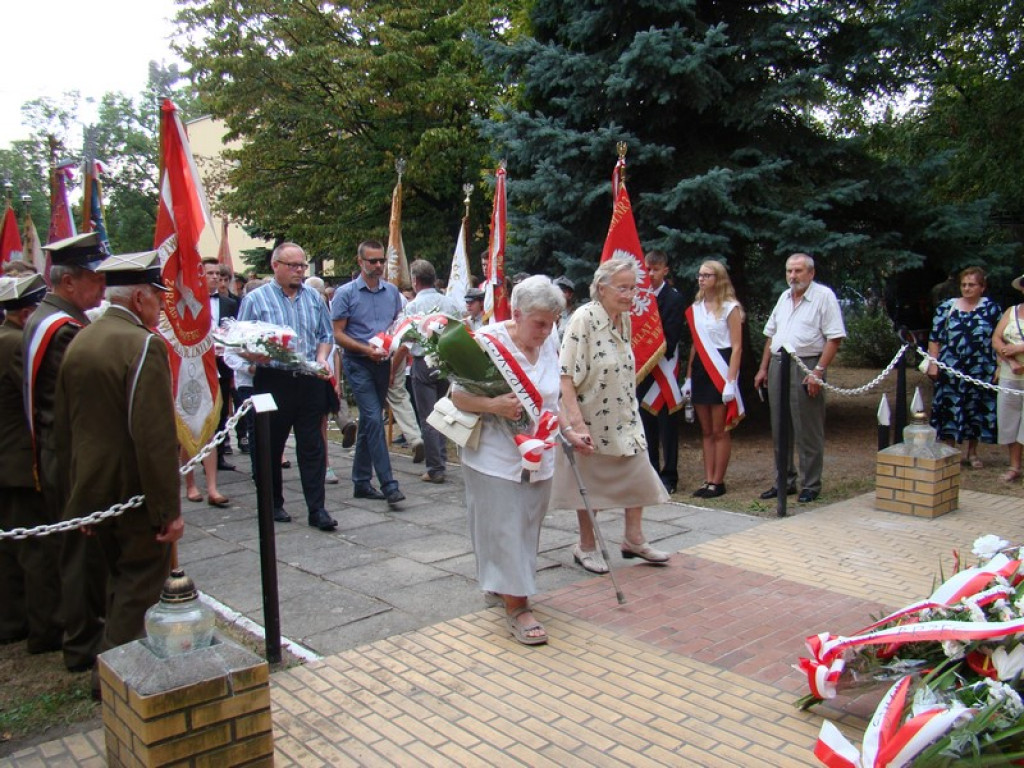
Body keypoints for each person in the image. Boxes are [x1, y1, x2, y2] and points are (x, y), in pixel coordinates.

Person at [54, 250, 184, 667]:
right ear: (139, 298)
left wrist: (80, 499)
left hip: (93, 487)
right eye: (157, 298)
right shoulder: (143, 344)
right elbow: (154, 437)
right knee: (140, 584)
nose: (162, 307)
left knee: (116, 579)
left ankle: (115, 661)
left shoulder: (82, 337)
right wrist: (168, 509)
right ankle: (115, 675)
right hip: (132, 490)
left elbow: (67, 429)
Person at [453, 275, 573, 645]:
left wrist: (570, 431)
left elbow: (554, 397)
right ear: (517, 314)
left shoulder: (548, 339)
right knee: (502, 526)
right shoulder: (488, 343)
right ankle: (518, 607)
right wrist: (493, 405)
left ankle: (501, 584)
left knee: (526, 526)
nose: (547, 330)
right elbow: (457, 396)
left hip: (540, 453)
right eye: (539, 323)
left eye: (552, 322)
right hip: (494, 455)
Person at [551, 258, 671, 574]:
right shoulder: (583, 319)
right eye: (623, 288)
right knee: (589, 487)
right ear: (601, 288)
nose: (631, 294)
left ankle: (633, 538)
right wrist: (576, 424)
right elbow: (564, 377)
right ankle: (585, 546)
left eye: (633, 288)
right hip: (591, 420)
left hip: (625, 416)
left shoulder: (624, 319)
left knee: (639, 474)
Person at [22, 232, 108, 672]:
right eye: (96, 279)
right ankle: (84, 645)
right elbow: (86, 402)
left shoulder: (48, 317)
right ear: (69, 282)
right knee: (80, 553)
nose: (103, 288)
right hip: (71, 457)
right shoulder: (64, 330)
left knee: (75, 549)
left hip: (60, 450)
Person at [237, 243, 339, 531]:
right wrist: (252, 355)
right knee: (269, 444)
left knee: (313, 446)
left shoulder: (314, 298)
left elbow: (325, 333)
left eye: (302, 266)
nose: (299, 271)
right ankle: (273, 501)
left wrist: (322, 357)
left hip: (308, 379)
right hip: (273, 379)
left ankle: (317, 508)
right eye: (293, 266)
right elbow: (240, 340)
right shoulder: (256, 299)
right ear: (276, 266)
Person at [0, 274, 61, 653]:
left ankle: (11, 620)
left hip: (8, 458)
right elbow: (39, 395)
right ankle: (46, 629)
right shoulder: (14, 345)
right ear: (26, 314)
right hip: (19, 460)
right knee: (35, 549)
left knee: (10, 547)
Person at [754, 253, 846, 503]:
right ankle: (783, 480)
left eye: (798, 271)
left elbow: (834, 337)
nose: (793, 276)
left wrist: (818, 372)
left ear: (811, 273)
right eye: (789, 271)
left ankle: (811, 484)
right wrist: (763, 368)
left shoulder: (823, 296)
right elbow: (771, 335)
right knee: (779, 426)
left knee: (808, 426)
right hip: (778, 363)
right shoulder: (784, 297)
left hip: (805, 365)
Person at [331, 241, 407, 504]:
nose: (377, 266)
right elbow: (338, 334)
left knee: (369, 421)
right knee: (374, 419)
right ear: (360, 261)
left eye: (380, 261)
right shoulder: (345, 293)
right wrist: (365, 350)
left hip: (383, 362)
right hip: (358, 363)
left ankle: (361, 481)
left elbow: (398, 326)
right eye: (372, 261)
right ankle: (389, 484)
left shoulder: (392, 292)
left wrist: (394, 357)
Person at [925, 266, 1000, 466]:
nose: (967, 288)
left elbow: (998, 339)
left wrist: (999, 366)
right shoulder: (947, 307)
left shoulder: (991, 309)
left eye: (972, 285)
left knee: (975, 409)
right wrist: (933, 364)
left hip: (980, 369)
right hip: (950, 368)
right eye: (964, 285)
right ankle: (950, 451)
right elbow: (935, 338)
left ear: (982, 287)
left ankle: (972, 453)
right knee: (949, 407)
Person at [683, 260, 745, 498]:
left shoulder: (731, 307)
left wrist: (731, 380)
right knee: (706, 430)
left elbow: (738, 347)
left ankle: (718, 481)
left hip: (721, 367)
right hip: (700, 369)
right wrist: (688, 376)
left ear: (718, 279)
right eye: (700, 275)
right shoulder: (696, 307)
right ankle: (707, 478)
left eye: (707, 275)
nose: (701, 279)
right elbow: (695, 346)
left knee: (720, 430)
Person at [401, 259, 464, 484]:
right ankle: (442, 460)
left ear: (415, 280)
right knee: (443, 412)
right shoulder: (450, 303)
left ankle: (435, 467)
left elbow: (406, 336)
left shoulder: (412, 306)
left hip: (423, 362)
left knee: (428, 415)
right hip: (446, 362)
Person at [635, 250, 686, 494]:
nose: (650, 273)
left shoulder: (674, 298)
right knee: (646, 424)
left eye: (655, 269)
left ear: (665, 270)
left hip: (663, 369)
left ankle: (670, 475)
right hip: (643, 371)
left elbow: (672, 335)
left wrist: (651, 356)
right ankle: (651, 470)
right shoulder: (639, 298)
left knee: (667, 426)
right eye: (647, 269)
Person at [993, 274, 1024, 482]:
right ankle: (1014, 466)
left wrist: (1020, 348)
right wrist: (1010, 360)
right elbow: (996, 338)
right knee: (1009, 419)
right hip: (1010, 373)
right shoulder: (1011, 311)